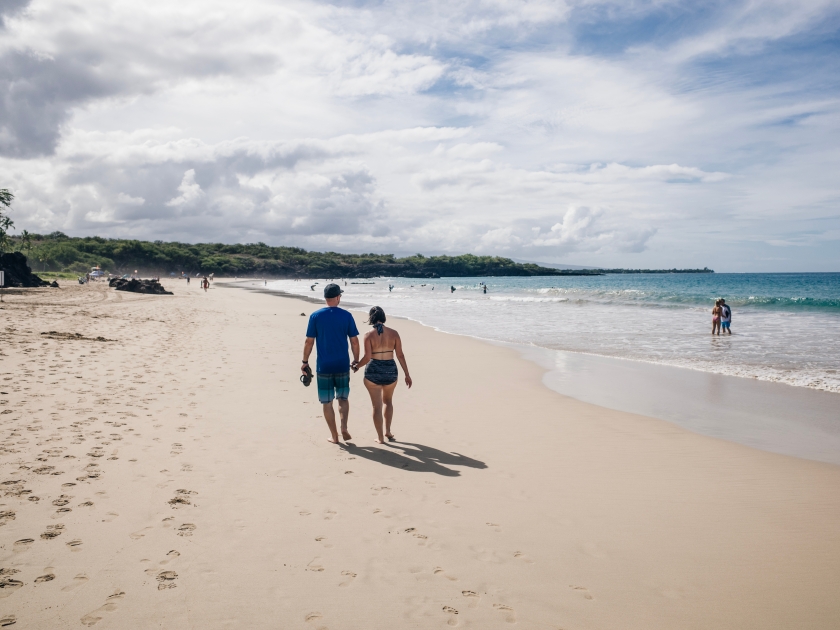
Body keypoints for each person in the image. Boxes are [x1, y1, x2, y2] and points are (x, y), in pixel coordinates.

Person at [302, 283, 360, 444]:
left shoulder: (315, 316)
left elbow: (309, 342)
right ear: (337, 297)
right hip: (342, 364)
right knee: (343, 398)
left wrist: (304, 361)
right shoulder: (346, 316)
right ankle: (344, 427)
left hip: (324, 366)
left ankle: (334, 436)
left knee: (327, 402)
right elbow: (354, 341)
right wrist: (356, 359)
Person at [353, 306, 412, 443]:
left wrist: (357, 366)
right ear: (383, 317)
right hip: (390, 370)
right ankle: (388, 431)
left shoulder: (368, 335)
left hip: (373, 370)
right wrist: (407, 374)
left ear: (371, 318)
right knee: (388, 401)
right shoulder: (394, 333)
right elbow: (400, 355)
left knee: (376, 406)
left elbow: (367, 357)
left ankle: (380, 438)